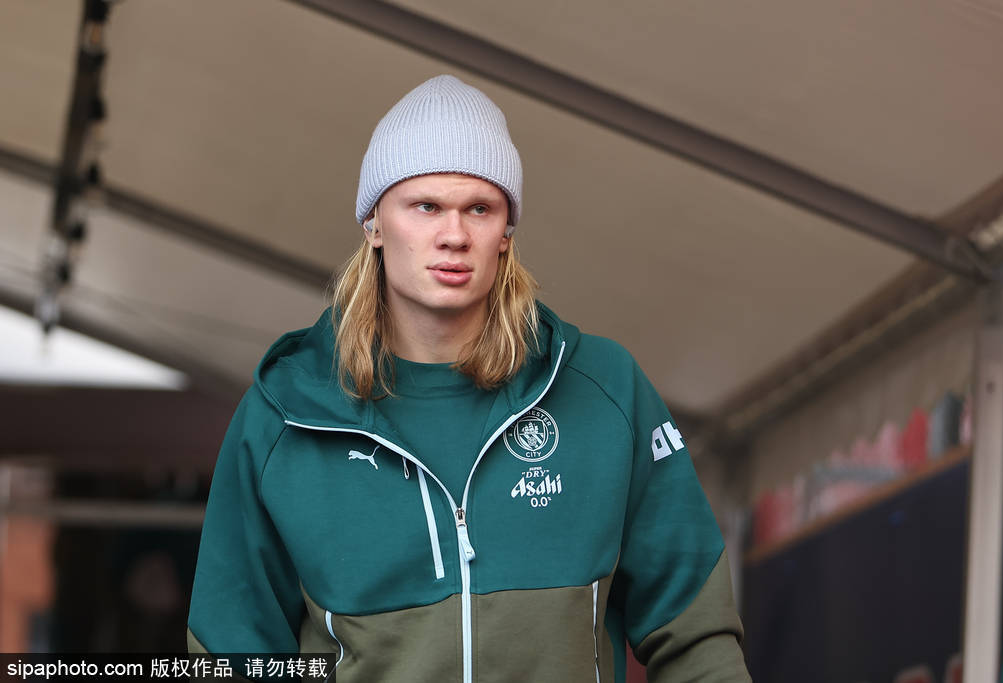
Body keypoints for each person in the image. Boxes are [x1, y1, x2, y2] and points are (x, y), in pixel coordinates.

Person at [187, 74, 750, 682]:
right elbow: (232, 654)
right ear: (374, 224)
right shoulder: (287, 413)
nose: (454, 236)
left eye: (479, 209)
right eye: (426, 206)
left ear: (505, 233)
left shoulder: (603, 390)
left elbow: (697, 639)